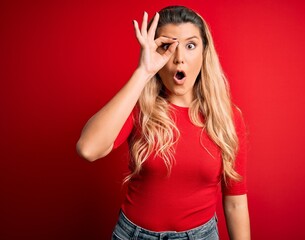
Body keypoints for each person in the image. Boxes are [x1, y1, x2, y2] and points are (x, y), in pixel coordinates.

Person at [76, 5, 250, 240]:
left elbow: (235, 203)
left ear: (204, 52)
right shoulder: (139, 108)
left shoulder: (226, 117)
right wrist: (143, 71)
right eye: (167, 46)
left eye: (190, 45)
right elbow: (88, 149)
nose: (179, 58)